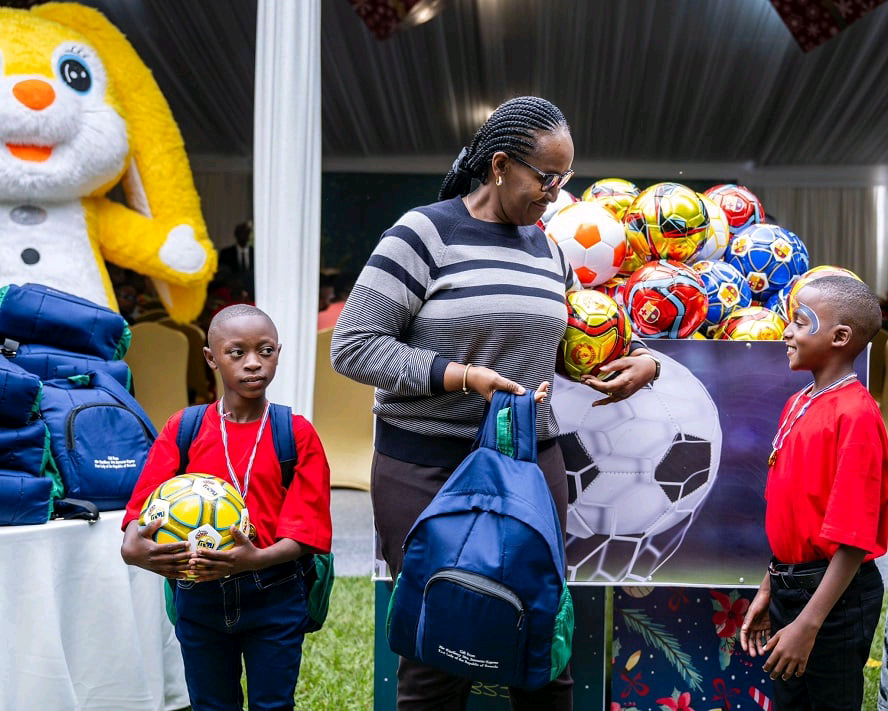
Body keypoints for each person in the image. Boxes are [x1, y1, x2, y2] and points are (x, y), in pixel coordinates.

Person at [330, 95, 659, 710]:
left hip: (530, 460)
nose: (556, 194)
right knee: (440, 643)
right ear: (501, 165)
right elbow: (353, 346)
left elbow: (582, 330)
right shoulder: (423, 234)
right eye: (546, 178)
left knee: (540, 636)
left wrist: (642, 359)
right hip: (426, 468)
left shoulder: (549, 249)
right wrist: (460, 376)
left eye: (565, 179)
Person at [120, 304, 332, 711]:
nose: (253, 363)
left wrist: (255, 559)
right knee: (211, 705)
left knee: (273, 704)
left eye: (265, 351)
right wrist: (134, 547)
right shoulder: (184, 428)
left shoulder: (295, 433)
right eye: (237, 352)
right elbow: (141, 510)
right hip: (198, 596)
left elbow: (308, 532)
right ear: (211, 357)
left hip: (273, 593)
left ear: (278, 353)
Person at [739, 275, 888, 711]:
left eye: (800, 323)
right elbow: (795, 515)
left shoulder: (856, 416)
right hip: (791, 588)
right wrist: (771, 585)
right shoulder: (799, 403)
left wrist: (809, 624)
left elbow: (853, 539)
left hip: (833, 600)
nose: (786, 332)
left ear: (840, 337)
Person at [218, 221, 255, 299]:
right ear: (236, 235)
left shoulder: (256, 253)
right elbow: (222, 275)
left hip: (253, 295)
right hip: (231, 295)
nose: (243, 236)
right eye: (240, 233)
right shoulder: (226, 254)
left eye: (246, 233)